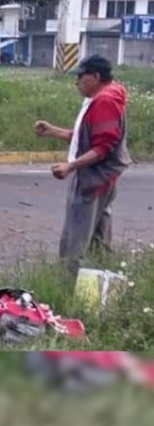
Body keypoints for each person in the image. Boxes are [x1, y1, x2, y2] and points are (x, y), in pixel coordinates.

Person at [34, 54, 131, 277]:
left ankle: (67, 289)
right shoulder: (105, 96)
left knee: (74, 243)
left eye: (80, 76)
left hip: (93, 180)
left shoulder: (105, 101)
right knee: (99, 241)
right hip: (104, 180)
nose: (77, 82)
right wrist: (53, 131)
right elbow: (88, 138)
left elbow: (103, 147)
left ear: (95, 76)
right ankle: (103, 287)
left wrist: (71, 166)